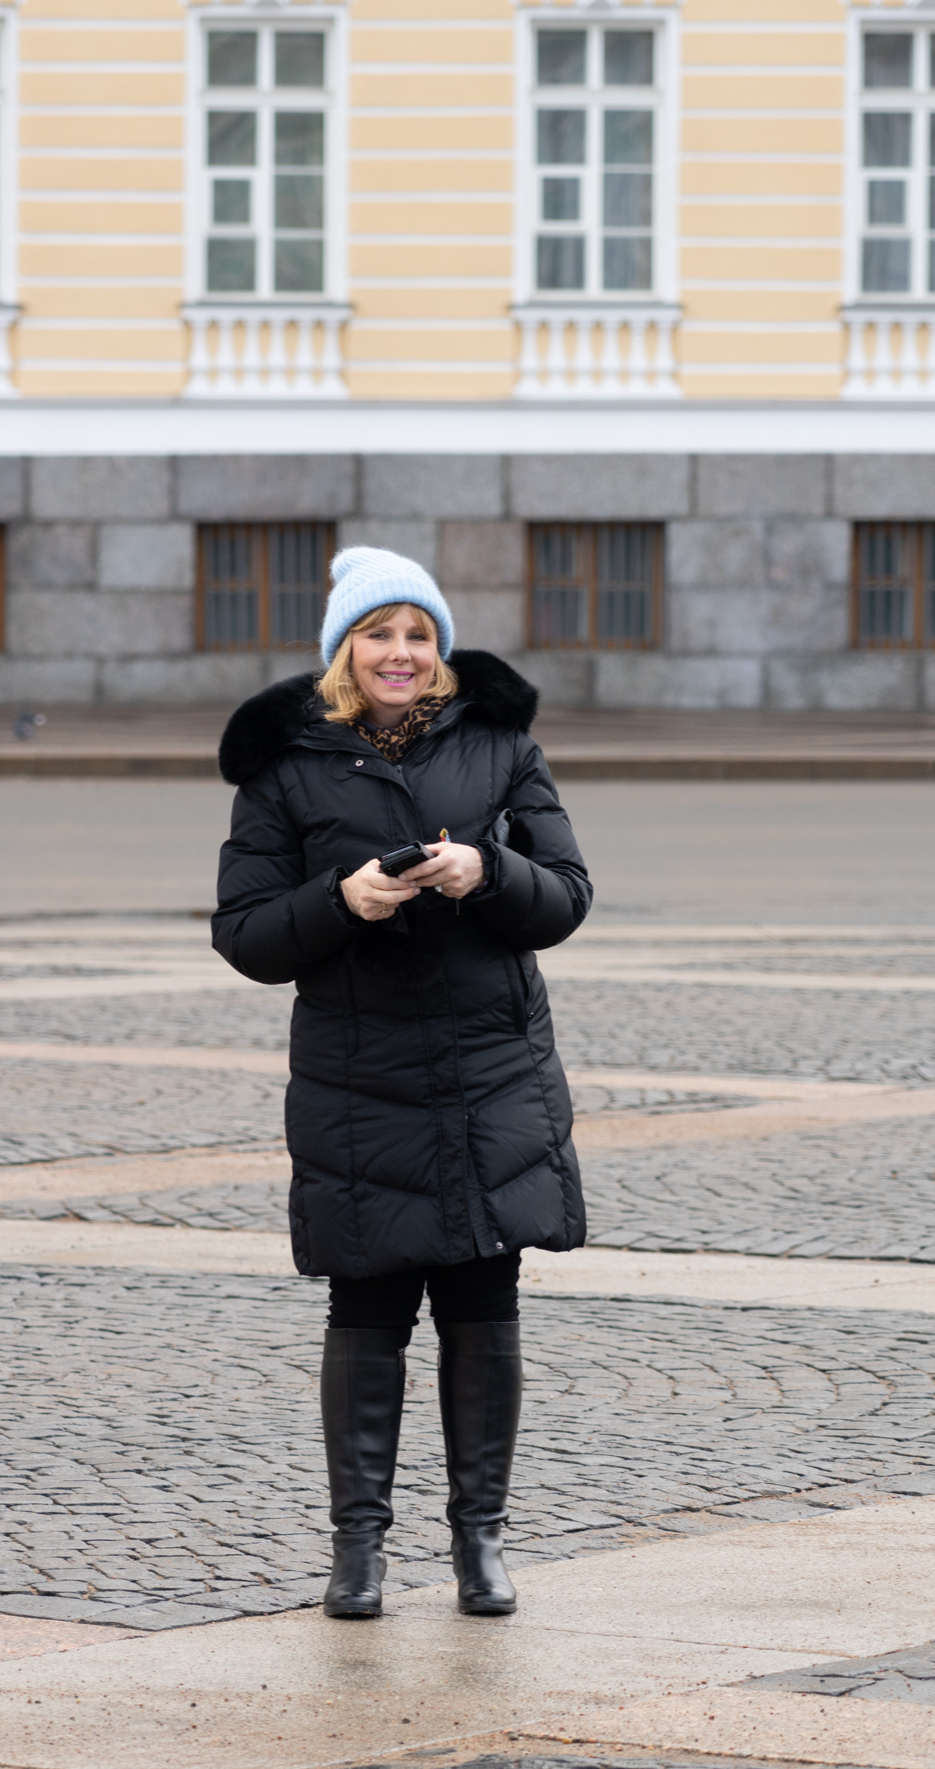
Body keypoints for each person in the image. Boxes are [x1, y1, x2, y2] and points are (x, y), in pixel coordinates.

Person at [212, 545, 591, 1621]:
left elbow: (565, 896)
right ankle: (360, 1550)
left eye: (418, 634)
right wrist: (342, 901)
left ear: (441, 649)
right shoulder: (286, 770)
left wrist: (488, 872)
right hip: (357, 1076)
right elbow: (242, 934)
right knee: (368, 1304)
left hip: (489, 1072)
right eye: (379, 634)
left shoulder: (503, 746)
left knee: (483, 1300)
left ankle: (480, 1543)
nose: (400, 653)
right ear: (345, 650)